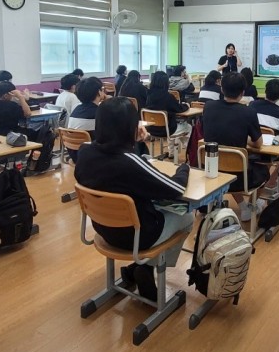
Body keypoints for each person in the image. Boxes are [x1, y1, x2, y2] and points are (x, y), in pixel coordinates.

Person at [74, 97, 193, 301]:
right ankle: (145, 267)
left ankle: (135, 270)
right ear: (131, 126)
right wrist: (184, 168)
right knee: (187, 215)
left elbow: (118, 170)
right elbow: (176, 188)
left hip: (103, 229)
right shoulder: (129, 162)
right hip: (138, 237)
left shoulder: (84, 152)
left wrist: (133, 143)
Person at [202, 72, 268, 221]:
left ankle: (244, 207)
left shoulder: (209, 106)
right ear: (242, 92)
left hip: (210, 169)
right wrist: (246, 140)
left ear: (222, 89)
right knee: (262, 169)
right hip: (238, 177)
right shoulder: (248, 111)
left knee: (230, 162)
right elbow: (258, 143)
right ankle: (251, 206)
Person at [145, 71, 191, 156]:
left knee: (171, 124)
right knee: (188, 128)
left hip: (151, 129)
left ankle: (172, 153)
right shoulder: (168, 97)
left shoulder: (148, 95)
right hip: (167, 130)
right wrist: (187, 105)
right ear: (166, 83)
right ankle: (191, 154)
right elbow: (179, 109)